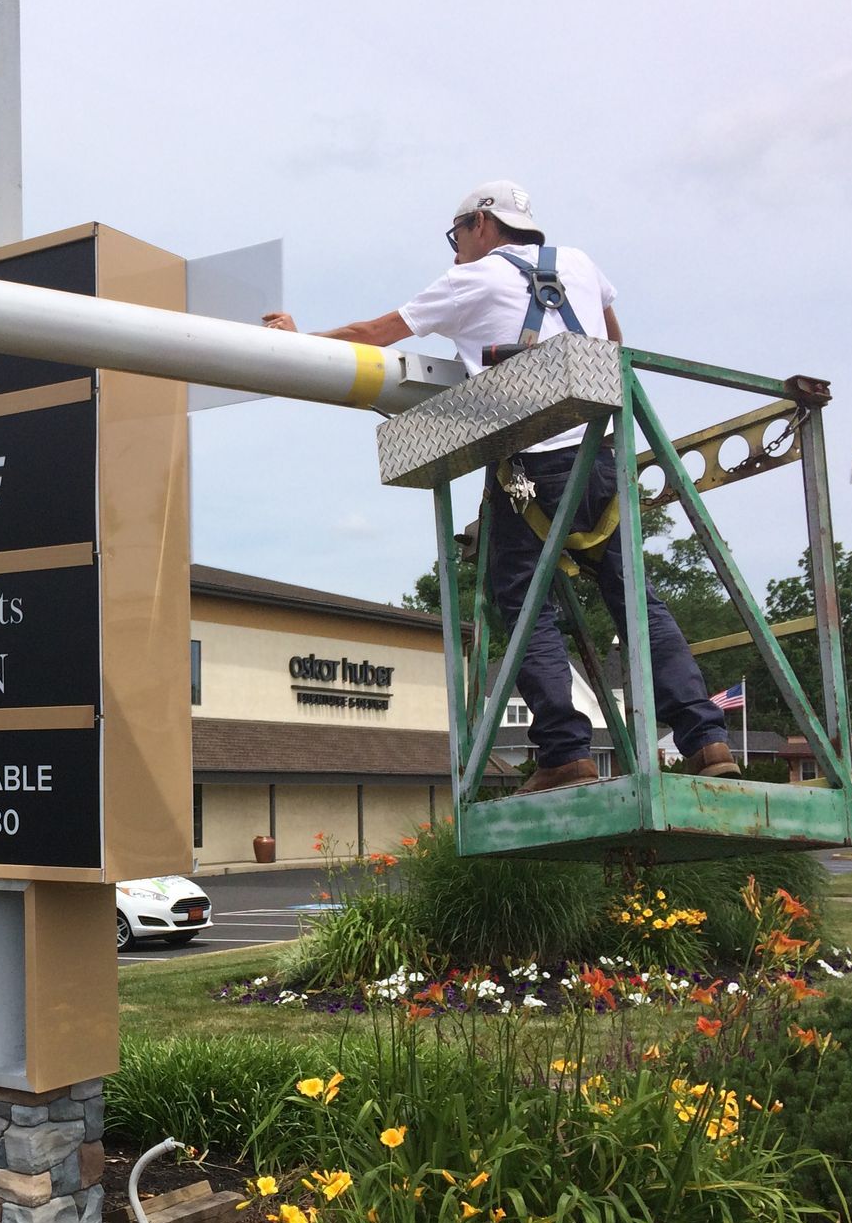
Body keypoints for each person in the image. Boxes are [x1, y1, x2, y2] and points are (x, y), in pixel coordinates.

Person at [262, 181, 737, 792]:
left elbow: (373, 335)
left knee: (520, 600)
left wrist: (297, 339)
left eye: (456, 234)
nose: (455, 247)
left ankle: (565, 751)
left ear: (481, 223)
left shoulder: (471, 279)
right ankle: (706, 740)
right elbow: (612, 341)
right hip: (600, 456)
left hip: (531, 467)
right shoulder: (581, 263)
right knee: (636, 599)